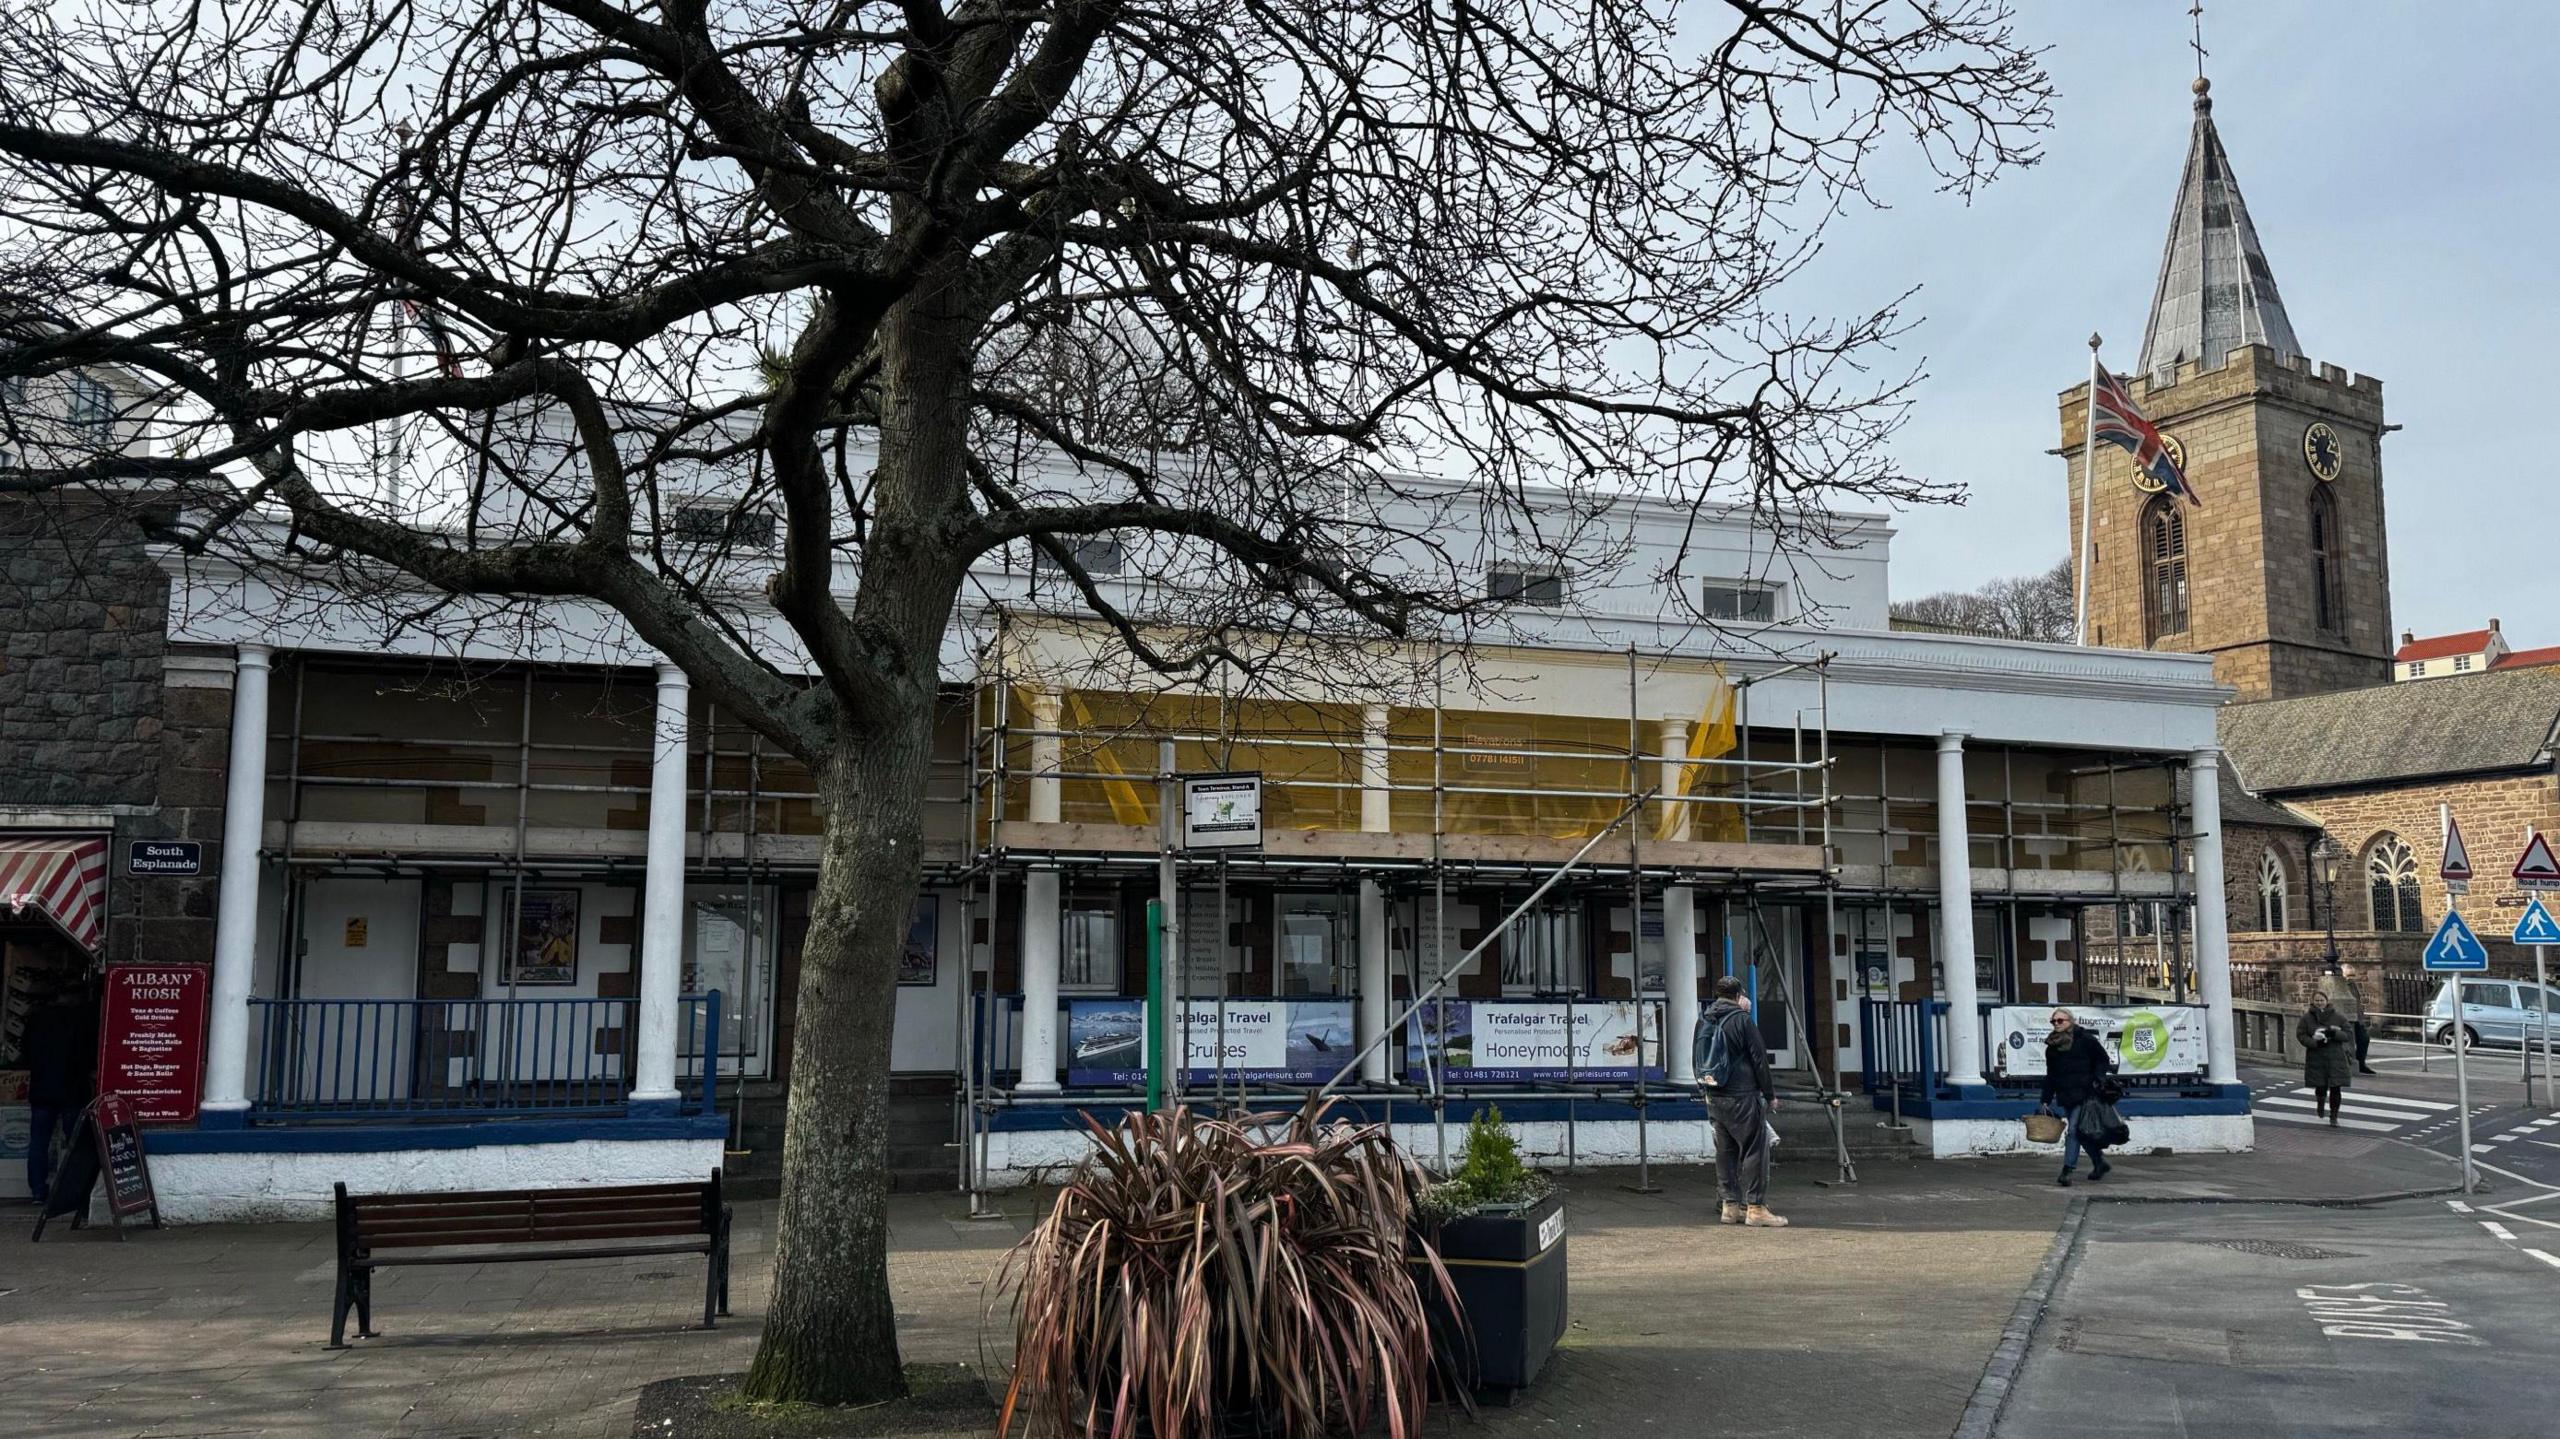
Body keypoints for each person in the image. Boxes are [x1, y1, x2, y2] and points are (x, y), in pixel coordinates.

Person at [1694, 975, 1786, 1227]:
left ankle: (1729, 1207)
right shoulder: (1742, 1020)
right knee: (1755, 1149)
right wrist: (1770, 1095)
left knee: (1725, 1152)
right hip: (1742, 1094)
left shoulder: (1703, 1019)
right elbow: (1759, 1060)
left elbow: (1696, 1057)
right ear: (1738, 995)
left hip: (1714, 1094)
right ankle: (1756, 1208)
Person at [21, 975, 98, 1207]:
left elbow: (26, 1051)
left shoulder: (37, 1018)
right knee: (74, 1143)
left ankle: (37, 1191)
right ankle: (71, 1193)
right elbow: (86, 1055)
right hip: (72, 1090)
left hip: (42, 1088)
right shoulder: (82, 1020)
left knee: (39, 1142)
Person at [2038, 1007, 2114, 1187]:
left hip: (2086, 1093)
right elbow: (2051, 1075)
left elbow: (2102, 1059)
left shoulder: (2085, 1040)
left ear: (2070, 1022)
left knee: (2073, 1130)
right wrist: (2045, 1099)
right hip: (2066, 1094)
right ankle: (2099, 1163)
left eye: (2060, 1021)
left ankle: (2067, 1170)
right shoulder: (2053, 1047)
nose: (2056, 1024)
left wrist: (2098, 1079)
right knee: (2082, 1132)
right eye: (2054, 1021)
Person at [2299, 988, 2355, 1124]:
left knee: (2336, 1087)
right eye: (2317, 1001)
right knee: (2320, 1086)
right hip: (2316, 1056)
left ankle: (2334, 1116)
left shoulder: (2338, 1017)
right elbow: (2301, 1035)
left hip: (2336, 1056)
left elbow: (2348, 1034)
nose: (2319, 1003)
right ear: (2313, 1002)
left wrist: (2333, 1033)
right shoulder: (2306, 1018)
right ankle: (2320, 1103)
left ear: (2327, 1001)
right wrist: (2314, 1042)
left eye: (2322, 1000)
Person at [2323, 963, 2378, 1076]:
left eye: (2352, 975)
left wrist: (2361, 1018)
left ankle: (2360, 1063)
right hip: (2344, 1019)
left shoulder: (2353, 985)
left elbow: (2357, 1002)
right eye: (2348, 975)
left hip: (2356, 1017)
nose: (2350, 978)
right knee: (2346, 1042)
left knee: (2364, 1039)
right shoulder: (2338, 985)